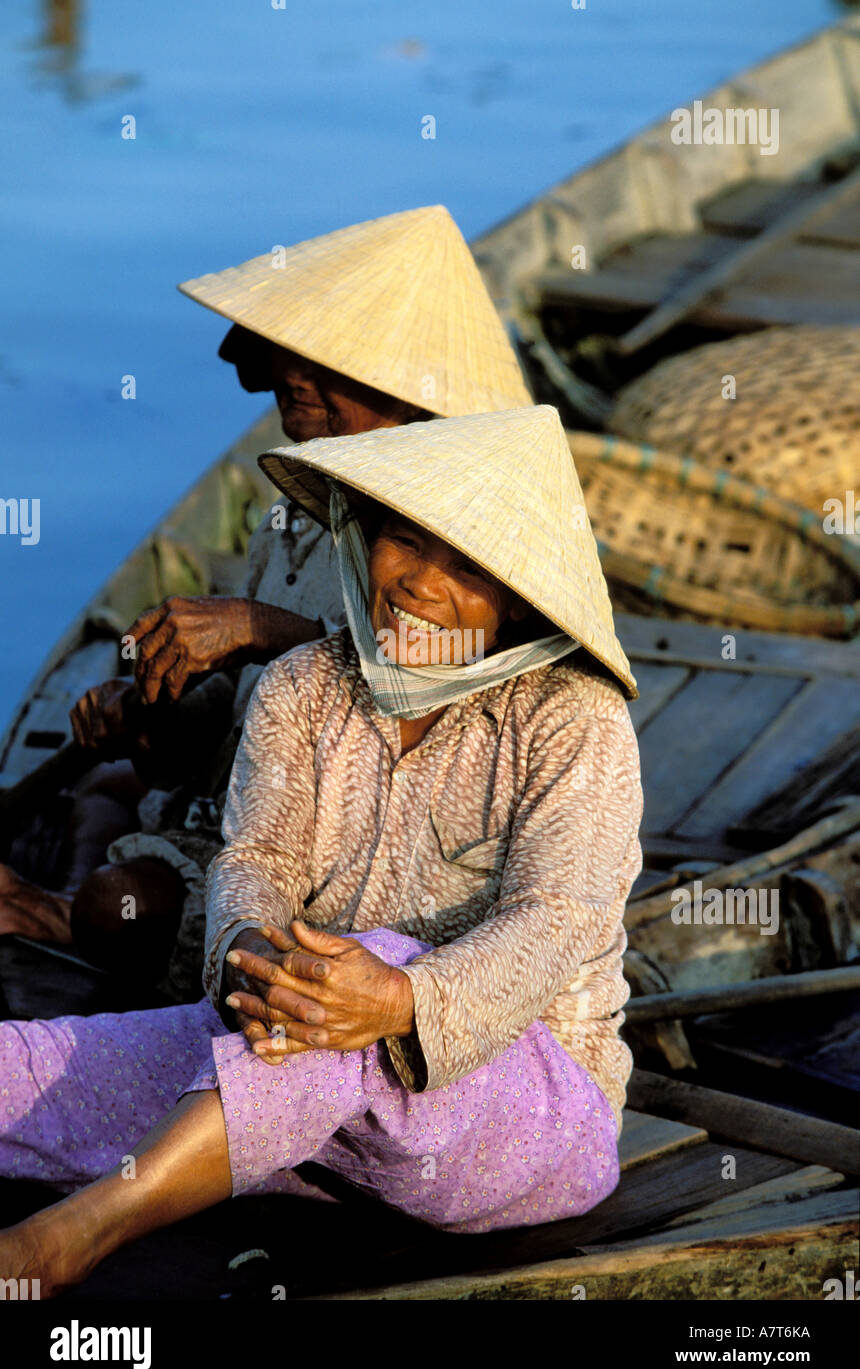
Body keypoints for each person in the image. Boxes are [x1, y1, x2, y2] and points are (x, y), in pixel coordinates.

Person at [0, 405, 641, 1296]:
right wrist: (249, 953)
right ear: (363, 539)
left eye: (468, 568)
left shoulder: (573, 720)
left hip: (530, 1114)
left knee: (350, 983)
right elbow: (256, 863)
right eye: (404, 543)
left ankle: (63, 1241)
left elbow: (557, 916)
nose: (419, 584)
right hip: (303, 1082)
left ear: (521, 601)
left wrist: (398, 997)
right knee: (25, 1068)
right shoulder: (304, 684)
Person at [0, 205, 532, 992]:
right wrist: (149, 713)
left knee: (125, 903)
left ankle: (56, 915)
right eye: (289, 366)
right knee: (109, 790)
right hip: (250, 799)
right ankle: (81, 907)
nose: (294, 385)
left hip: (358, 844)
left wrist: (254, 627)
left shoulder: (457, 539)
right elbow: (237, 715)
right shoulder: (294, 514)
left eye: (328, 370)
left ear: (409, 393)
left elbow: (426, 691)